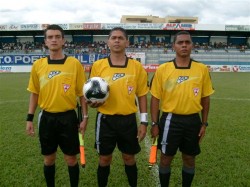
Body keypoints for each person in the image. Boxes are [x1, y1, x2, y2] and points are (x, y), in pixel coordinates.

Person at [25, 24, 88, 187]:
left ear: (63, 41)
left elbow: (82, 94)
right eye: (50, 37)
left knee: (71, 159)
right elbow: (34, 93)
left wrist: (84, 118)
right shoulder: (38, 65)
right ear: (45, 42)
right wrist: (29, 119)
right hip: (46, 118)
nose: (54, 40)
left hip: (68, 117)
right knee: (49, 158)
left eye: (57, 37)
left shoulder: (74, 64)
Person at [150, 31, 214, 187]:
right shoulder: (163, 69)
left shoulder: (202, 69)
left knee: (189, 158)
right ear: (174, 46)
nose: (184, 45)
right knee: (166, 158)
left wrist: (204, 123)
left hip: (193, 121)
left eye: (187, 42)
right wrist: (154, 123)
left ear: (192, 45)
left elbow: (205, 98)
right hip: (170, 120)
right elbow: (155, 98)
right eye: (180, 42)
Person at [88, 27, 149, 187]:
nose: (117, 40)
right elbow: (91, 93)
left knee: (129, 158)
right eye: (113, 38)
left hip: (128, 120)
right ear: (108, 42)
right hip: (105, 120)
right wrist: (93, 103)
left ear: (127, 42)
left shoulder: (136, 67)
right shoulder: (98, 65)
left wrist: (143, 122)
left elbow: (142, 95)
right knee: (104, 158)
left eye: (120, 38)